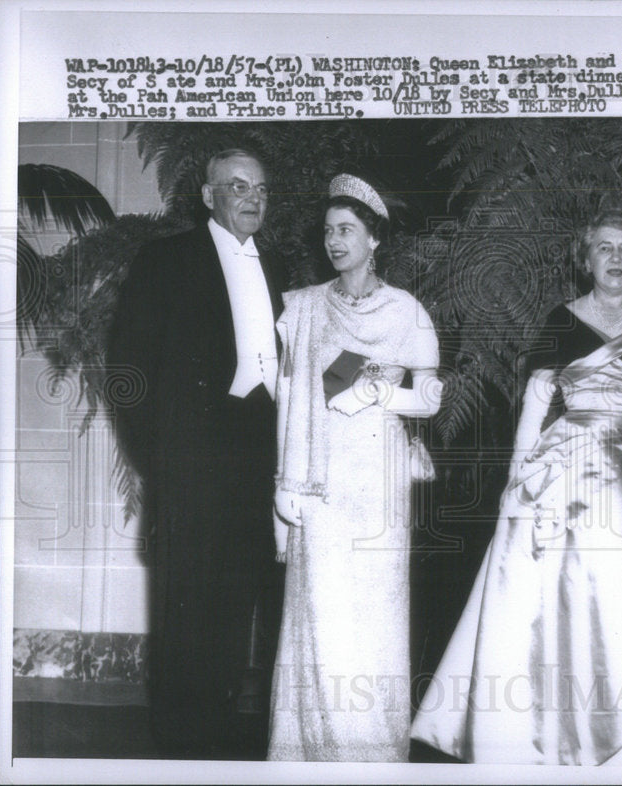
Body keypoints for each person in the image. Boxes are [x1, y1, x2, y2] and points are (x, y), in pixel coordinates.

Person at [410, 207, 622, 766]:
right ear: (585, 261)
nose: (615, 258)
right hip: (568, 462)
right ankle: (555, 735)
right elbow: (536, 403)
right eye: (604, 248)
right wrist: (516, 477)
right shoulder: (562, 319)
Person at [109, 149, 284, 758]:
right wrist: (161, 461)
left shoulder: (285, 269)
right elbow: (126, 374)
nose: (252, 197)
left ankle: (220, 743)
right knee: (185, 610)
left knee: (237, 607)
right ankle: (179, 749)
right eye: (238, 186)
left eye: (260, 187)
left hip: (259, 458)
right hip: (189, 463)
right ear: (208, 196)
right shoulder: (166, 261)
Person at [267, 174, 442, 762]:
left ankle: (372, 760)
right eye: (327, 231)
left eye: (347, 230)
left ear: (374, 241)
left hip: (379, 477)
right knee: (318, 613)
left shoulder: (407, 312)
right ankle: (306, 757)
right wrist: (285, 484)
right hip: (319, 478)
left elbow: (431, 399)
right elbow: (290, 400)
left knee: (373, 617)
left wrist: (380, 396)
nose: (334, 241)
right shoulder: (303, 308)